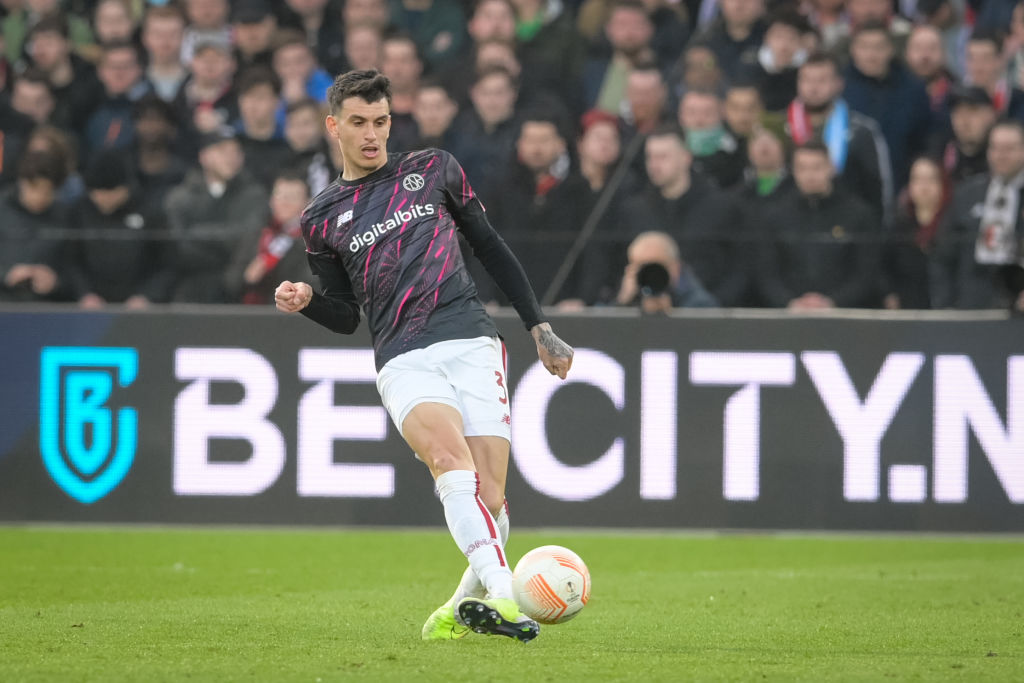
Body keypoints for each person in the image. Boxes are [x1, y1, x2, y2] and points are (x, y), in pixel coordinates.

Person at [273, 69, 573, 642]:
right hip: (402, 356)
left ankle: (458, 612)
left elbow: (490, 247)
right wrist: (310, 300)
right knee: (446, 459)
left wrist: (539, 326)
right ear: (333, 126)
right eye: (358, 123)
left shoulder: (432, 170)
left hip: (470, 339)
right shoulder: (321, 218)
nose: (371, 135)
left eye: (381, 122)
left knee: (491, 501)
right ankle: (508, 598)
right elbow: (345, 316)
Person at [757, 140, 880, 310]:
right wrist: (790, 303)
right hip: (789, 318)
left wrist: (833, 302)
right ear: (793, 171)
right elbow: (766, 274)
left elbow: (866, 273)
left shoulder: (858, 214)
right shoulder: (775, 216)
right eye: (802, 168)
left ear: (831, 168)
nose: (810, 175)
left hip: (845, 318)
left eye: (817, 167)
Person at [931, 120, 1024, 309]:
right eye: (995, 148)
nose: (1001, 156)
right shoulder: (966, 194)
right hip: (970, 304)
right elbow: (944, 254)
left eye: (1009, 149)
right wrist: (944, 304)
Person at [884, 155, 950, 310]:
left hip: (946, 312)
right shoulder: (897, 228)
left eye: (931, 179)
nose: (924, 186)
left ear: (943, 184)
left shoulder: (953, 226)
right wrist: (889, 294)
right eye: (917, 179)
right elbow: (884, 269)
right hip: (907, 314)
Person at [615, 230, 719, 311]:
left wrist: (671, 316)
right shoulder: (629, 299)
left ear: (675, 268)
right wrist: (622, 302)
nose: (650, 276)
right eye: (643, 268)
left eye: (656, 268)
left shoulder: (700, 304)